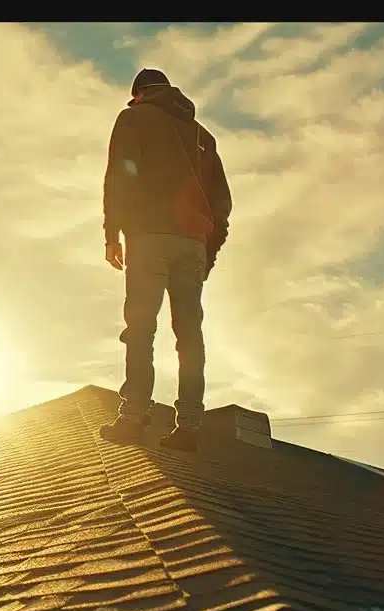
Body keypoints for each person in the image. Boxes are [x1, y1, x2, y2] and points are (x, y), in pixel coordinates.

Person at [98, 68, 232, 452]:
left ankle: (133, 417)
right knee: (190, 336)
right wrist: (208, 250)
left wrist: (112, 235)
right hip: (192, 244)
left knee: (141, 329)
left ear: (138, 95)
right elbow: (222, 202)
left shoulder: (133, 117)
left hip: (149, 236)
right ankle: (189, 425)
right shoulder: (202, 136)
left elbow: (119, 177)